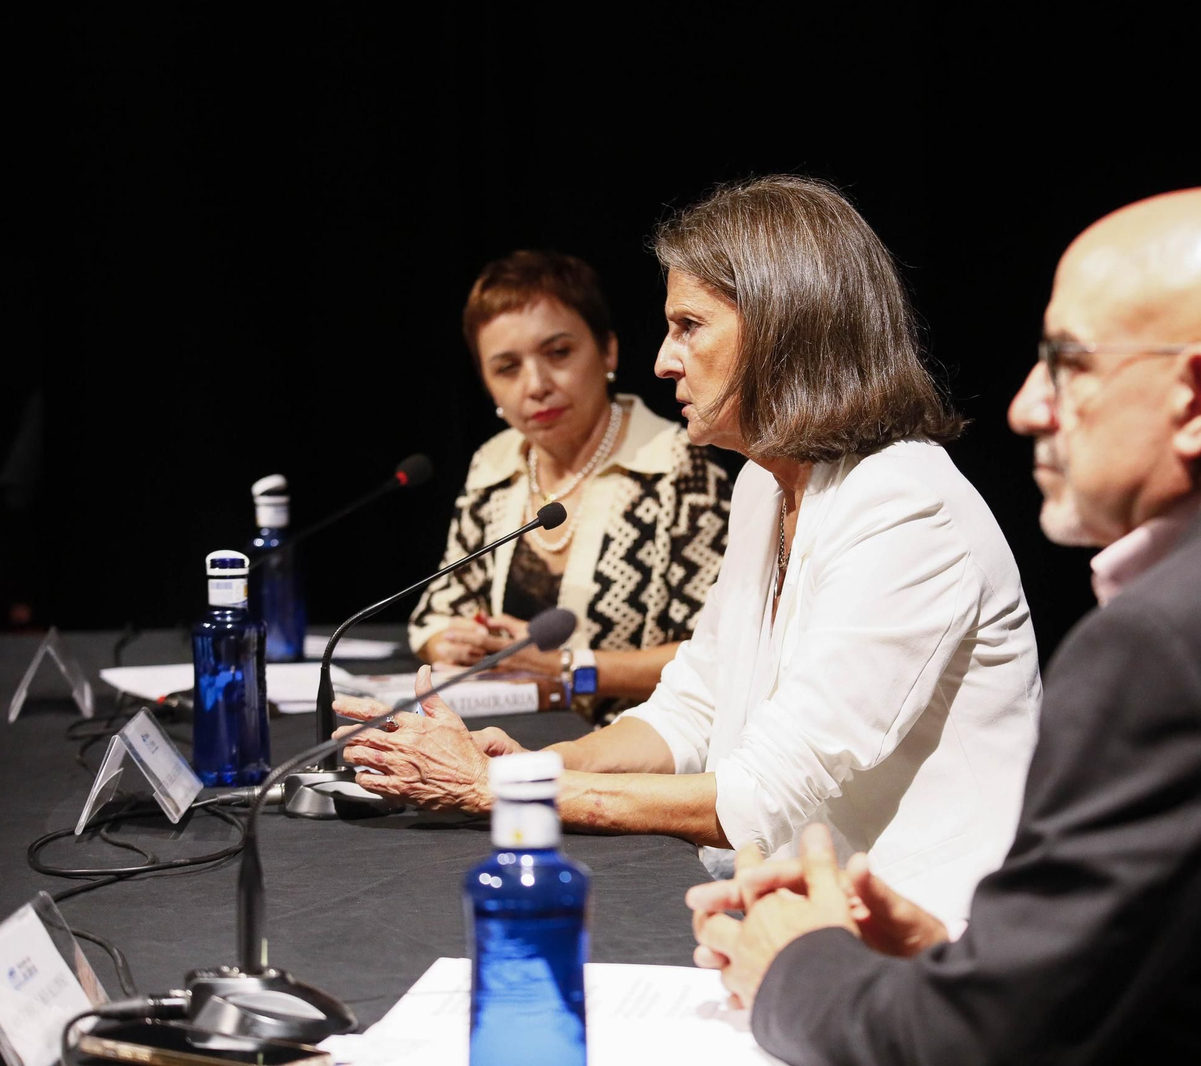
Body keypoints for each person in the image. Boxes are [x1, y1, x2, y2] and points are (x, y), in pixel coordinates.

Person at [688, 186, 1201, 1063]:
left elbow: (975, 1050)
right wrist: (954, 960)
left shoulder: (1169, 649)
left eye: (1068, 365)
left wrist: (798, 964)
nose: (1027, 407)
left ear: (1197, 396)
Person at [339, 176, 1043, 923]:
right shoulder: (764, 488)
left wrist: (495, 792)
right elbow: (690, 710)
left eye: (689, 326)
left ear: (784, 326)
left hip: (931, 938)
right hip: (790, 908)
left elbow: (760, 795)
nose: (664, 361)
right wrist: (523, 766)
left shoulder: (906, 508)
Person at [407, 250, 733, 721]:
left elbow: (717, 654)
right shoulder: (494, 466)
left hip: (641, 752)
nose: (536, 384)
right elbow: (435, 614)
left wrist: (568, 668)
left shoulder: (679, 467)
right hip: (506, 736)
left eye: (558, 353)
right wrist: (463, 646)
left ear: (608, 351)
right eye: (507, 367)